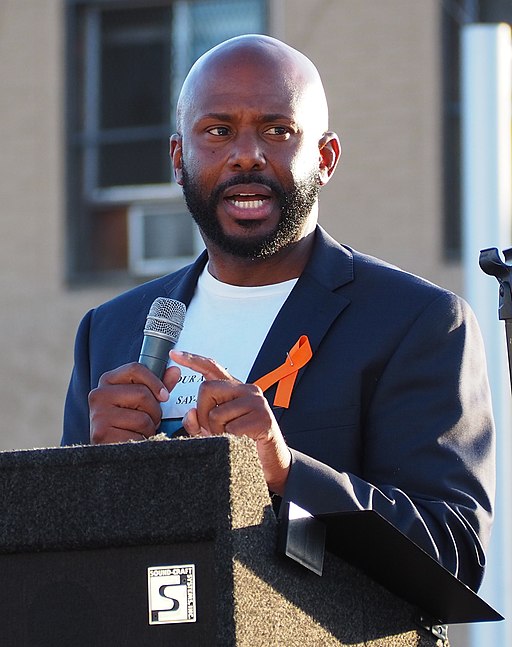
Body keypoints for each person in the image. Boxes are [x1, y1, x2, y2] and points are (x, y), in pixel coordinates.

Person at [62, 34, 495, 592]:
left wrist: (286, 472)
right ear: (178, 159)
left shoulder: (418, 322)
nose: (247, 154)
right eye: (218, 131)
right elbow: (65, 566)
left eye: (278, 130)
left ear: (326, 157)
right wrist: (93, 479)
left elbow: (453, 553)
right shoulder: (110, 330)